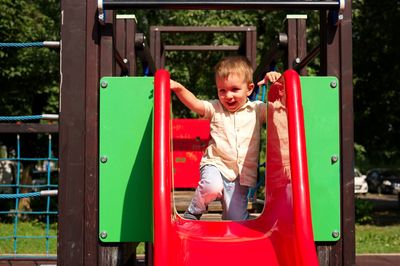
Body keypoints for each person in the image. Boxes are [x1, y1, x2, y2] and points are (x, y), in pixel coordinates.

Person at [170, 56, 281, 220]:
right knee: (211, 187)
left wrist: (278, 84)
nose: (228, 95)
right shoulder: (215, 108)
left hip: (240, 176)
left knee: (235, 220)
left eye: (235, 89)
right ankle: (193, 211)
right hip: (215, 164)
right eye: (222, 90)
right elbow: (195, 103)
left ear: (249, 89)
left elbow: (280, 109)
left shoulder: (257, 109)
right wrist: (179, 88)